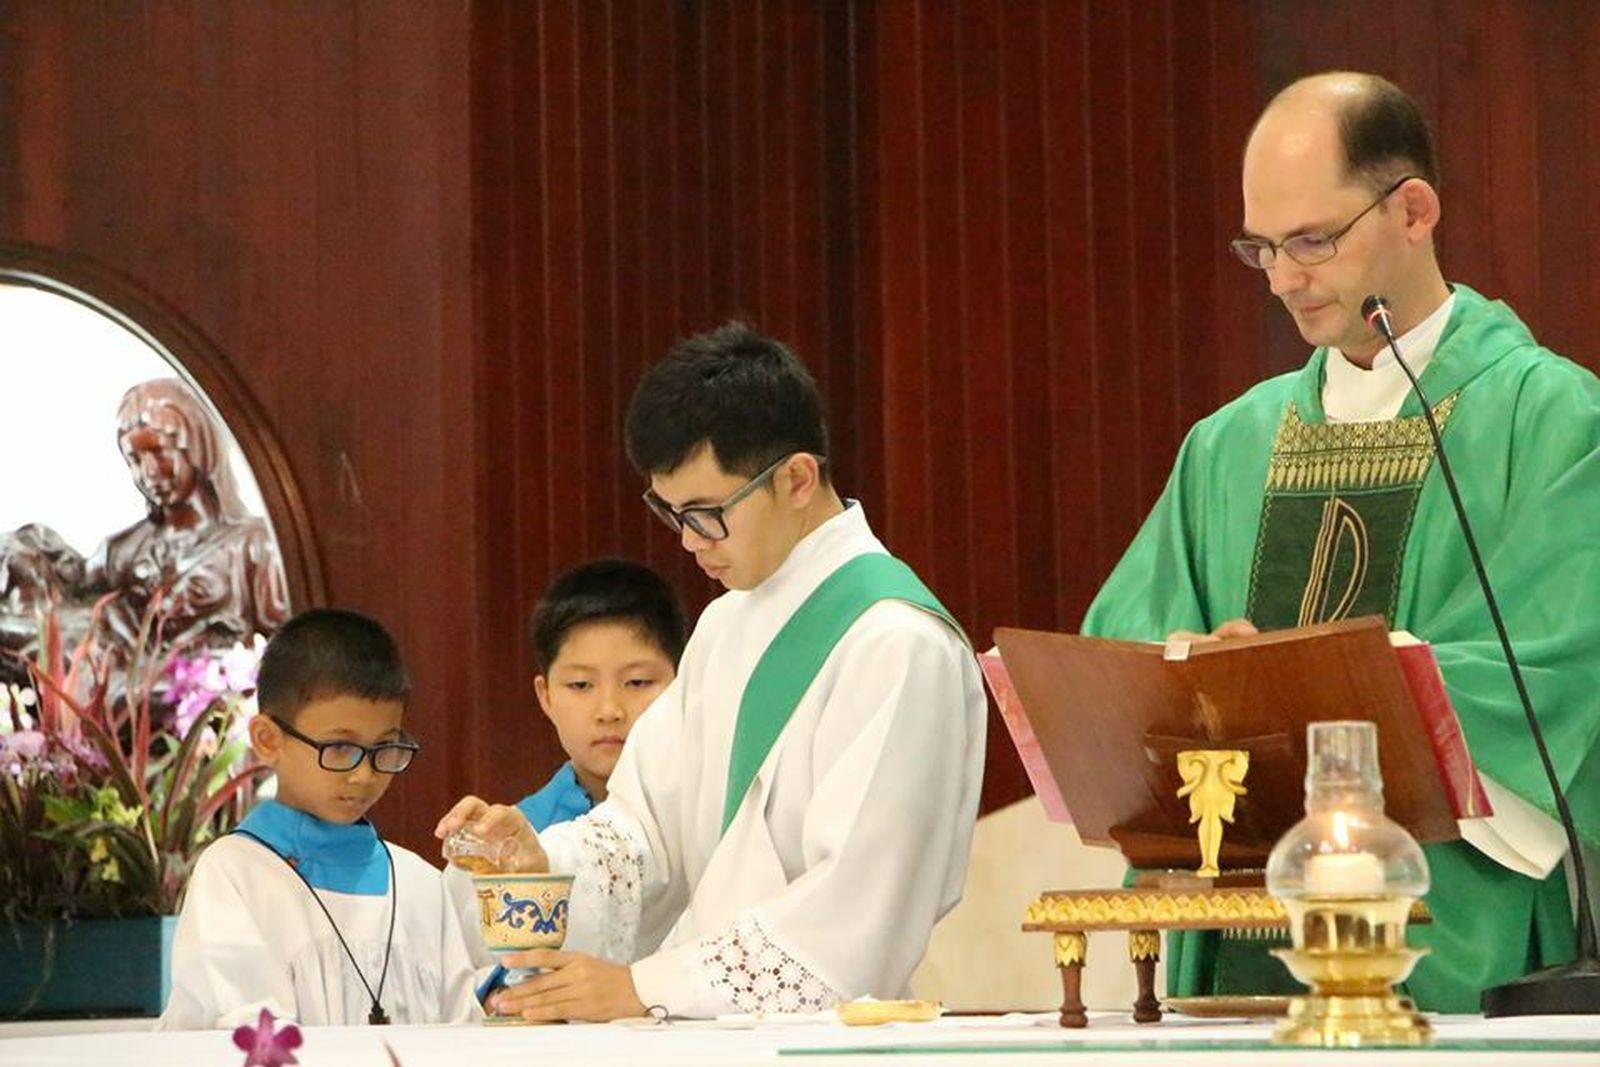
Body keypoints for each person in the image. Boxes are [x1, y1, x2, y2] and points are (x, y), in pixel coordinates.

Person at [1082, 71, 1600, 1011]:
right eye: (1261, 248)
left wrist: (1294, 680)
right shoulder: (1227, 445)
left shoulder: (1553, 418)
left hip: (1449, 922)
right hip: (1240, 925)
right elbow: (1125, 656)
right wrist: (1199, 677)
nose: (1282, 279)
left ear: (1414, 209)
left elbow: (1563, 664)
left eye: (1312, 240)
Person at [437, 322, 987, 1022]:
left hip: (824, 1041)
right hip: (710, 1034)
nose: (692, 542)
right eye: (672, 513)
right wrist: (539, 863)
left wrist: (642, 987)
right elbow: (648, 832)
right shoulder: (728, 623)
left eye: (707, 513)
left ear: (795, 477)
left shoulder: (897, 642)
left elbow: (856, 914)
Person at [159, 609, 479, 1029]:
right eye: (341, 748)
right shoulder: (236, 872)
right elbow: (248, 1033)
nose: (364, 774)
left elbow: (462, 1031)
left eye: (384, 748)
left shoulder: (419, 883)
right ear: (268, 740)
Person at [446, 558, 685, 978]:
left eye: (638, 683)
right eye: (580, 686)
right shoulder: (517, 840)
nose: (609, 710)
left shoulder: (713, 818)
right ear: (545, 696)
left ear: (683, 685)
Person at [86, 377, 289, 656]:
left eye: (160, 452)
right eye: (134, 459)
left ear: (196, 448)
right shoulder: (118, 553)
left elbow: (286, 653)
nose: (149, 472)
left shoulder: (256, 548)